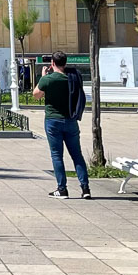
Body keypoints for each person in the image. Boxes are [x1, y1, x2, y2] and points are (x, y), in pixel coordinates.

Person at [39, 52, 90, 199]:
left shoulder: (48, 79)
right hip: (71, 120)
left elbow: (36, 94)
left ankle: (62, 189)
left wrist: (43, 76)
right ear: (65, 63)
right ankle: (85, 188)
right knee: (77, 155)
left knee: (57, 155)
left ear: (52, 63)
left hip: (53, 121)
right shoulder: (72, 77)